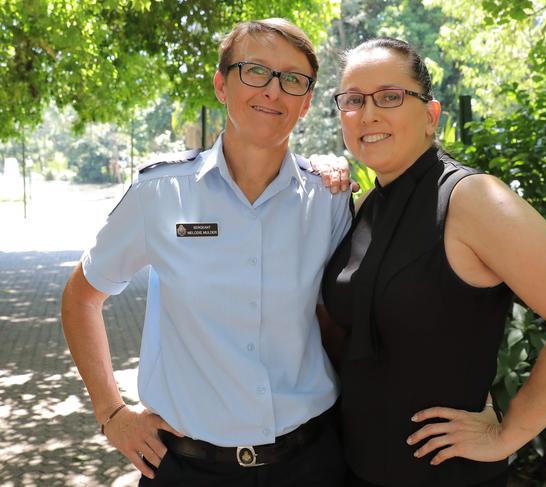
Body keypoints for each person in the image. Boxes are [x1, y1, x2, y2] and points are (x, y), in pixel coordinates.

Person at [60, 18, 354, 487]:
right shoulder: (160, 193)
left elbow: (338, 319)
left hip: (311, 462)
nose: (273, 91)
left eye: (292, 80)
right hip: (186, 469)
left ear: (306, 104)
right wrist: (111, 412)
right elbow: (81, 297)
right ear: (221, 85)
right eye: (255, 71)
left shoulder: (330, 199)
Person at [320, 38, 546, 487]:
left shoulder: (471, 199)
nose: (368, 114)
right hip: (356, 468)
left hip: (449, 477)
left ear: (430, 114)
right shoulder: (365, 208)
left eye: (390, 97)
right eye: (353, 100)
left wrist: (508, 434)